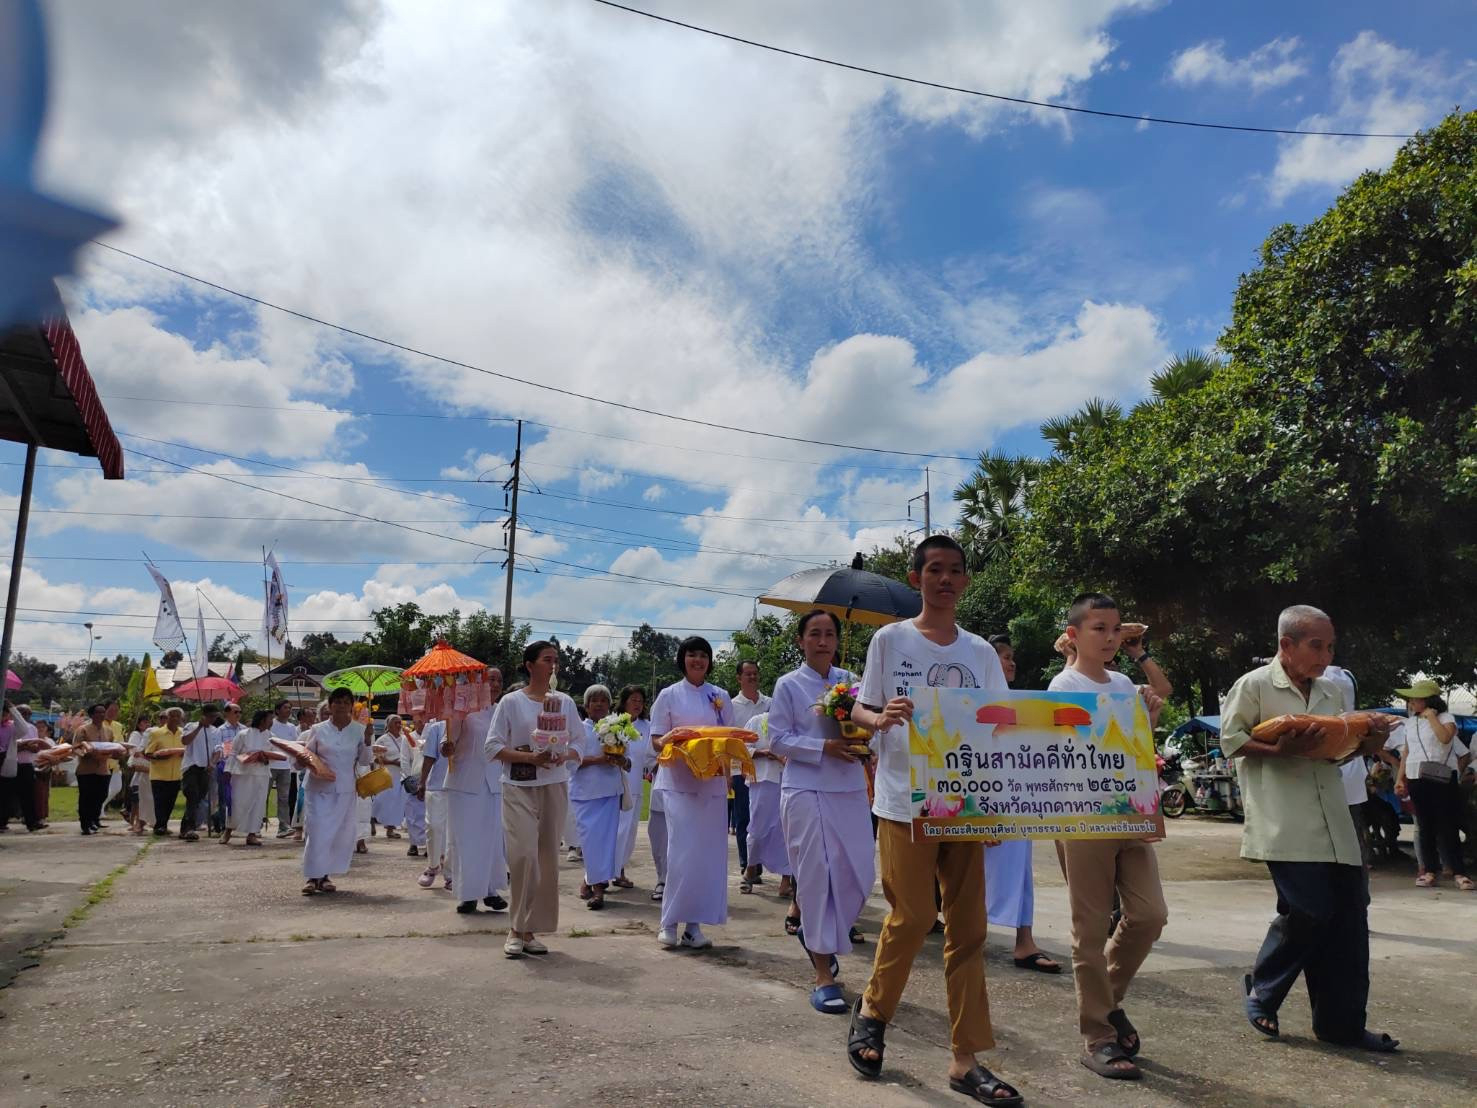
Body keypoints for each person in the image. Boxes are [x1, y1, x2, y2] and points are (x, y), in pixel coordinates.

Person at [846, 535, 1021, 1105]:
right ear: (916, 577)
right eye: (935, 570)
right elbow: (859, 707)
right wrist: (879, 718)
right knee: (914, 915)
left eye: (955, 571)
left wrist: (994, 804)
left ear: (965, 580)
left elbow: (1002, 723)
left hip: (965, 802)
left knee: (968, 929)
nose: (945, 579)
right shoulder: (890, 640)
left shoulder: (980, 652)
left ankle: (966, 1059)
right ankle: (873, 1012)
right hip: (904, 800)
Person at [1222, 604, 1399, 1053]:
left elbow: (1335, 754)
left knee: (1350, 919)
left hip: (1335, 818)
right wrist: (1279, 750)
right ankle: (1263, 988)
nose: (1326, 656)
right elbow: (1232, 741)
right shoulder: (1255, 685)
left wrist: (1370, 741)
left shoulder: (1331, 691)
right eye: (1316, 646)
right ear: (1287, 645)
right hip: (1285, 819)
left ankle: (1342, 1025)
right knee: (1309, 910)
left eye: (1330, 647)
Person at [1048, 594, 1166, 1081]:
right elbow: (1070, 748)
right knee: (1090, 928)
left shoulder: (1122, 684)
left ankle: (1106, 1002)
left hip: (1128, 810)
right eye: (1099, 628)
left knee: (1149, 915)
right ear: (1073, 635)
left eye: (1116, 629)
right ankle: (1097, 1035)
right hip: (1081, 815)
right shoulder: (1062, 686)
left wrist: (1148, 720)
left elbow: (1132, 746)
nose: (1111, 637)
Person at [769, 610, 876, 1015]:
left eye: (829, 634)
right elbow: (778, 740)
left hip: (849, 788)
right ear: (801, 641)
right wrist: (823, 748)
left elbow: (868, 727)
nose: (822, 641)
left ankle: (818, 936)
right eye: (814, 633)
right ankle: (822, 974)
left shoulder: (852, 682)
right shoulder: (788, 685)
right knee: (816, 878)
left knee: (859, 875)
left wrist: (865, 744)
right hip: (805, 788)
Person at [486, 643, 576, 957]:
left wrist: (563, 755)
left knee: (547, 858)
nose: (553, 665)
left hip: (554, 784)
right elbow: (492, 746)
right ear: (529, 665)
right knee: (523, 854)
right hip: (518, 785)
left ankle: (530, 930)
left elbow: (579, 743)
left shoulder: (564, 702)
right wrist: (529, 757)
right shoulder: (511, 702)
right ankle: (515, 927)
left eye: (555, 661)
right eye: (546, 660)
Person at [650, 636, 735, 951]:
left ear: (709, 661)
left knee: (706, 856)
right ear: (682, 659)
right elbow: (655, 740)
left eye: (703, 655)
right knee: (681, 854)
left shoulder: (720, 696)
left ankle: (693, 926)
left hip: (712, 784)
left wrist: (727, 778)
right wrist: (670, 739)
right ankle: (669, 923)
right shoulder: (669, 695)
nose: (697, 660)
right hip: (679, 783)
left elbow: (730, 739)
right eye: (691, 655)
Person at [983, 635, 1061, 976]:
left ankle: (1024, 942)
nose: (1011, 662)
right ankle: (964, 937)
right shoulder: (970, 704)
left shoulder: (1025, 706)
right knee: (969, 874)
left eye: (1012, 656)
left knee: (1020, 871)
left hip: (1018, 800)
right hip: (982, 801)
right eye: (1004, 656)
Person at [1389, 679, 1471, 891]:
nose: (1411, 703)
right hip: (1417, 776)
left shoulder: (1446, 718)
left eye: (1415, 699)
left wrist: (1432, 717)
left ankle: (1459, 872)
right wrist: (1400, 778)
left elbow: (1445, 738)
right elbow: (1407, 752)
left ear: (1427, 700)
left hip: (1442, 777)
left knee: (1447, 825)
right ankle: (1430, 870)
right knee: (1425, 826)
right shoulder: (1410, 723)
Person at [294, 687, 374, 895]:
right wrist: (300, 759)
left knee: (337, 834)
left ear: (351, 706)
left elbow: (365, 761)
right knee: (318, 831)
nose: (341, 706)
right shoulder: (318, 729)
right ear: (330, 705)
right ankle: (312, 877)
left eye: (346, 702)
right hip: (318, 788)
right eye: (337, 702)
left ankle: (325, 876)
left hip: (344, 790)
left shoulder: (359, 730)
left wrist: (368, 740)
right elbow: (305, 757)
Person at [443, 672, 509, 916]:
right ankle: (468, 895)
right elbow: (448, 741)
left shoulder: (503, 712)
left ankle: (490, 891)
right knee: (466, 841)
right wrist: (446, 746)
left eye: (499, 680)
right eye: (490, 679)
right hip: (465, 784)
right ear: (478, 683)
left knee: (492, 841)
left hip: (494, 784)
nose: (495, 684)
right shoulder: (463, 710)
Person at [571, 685, 627, 910]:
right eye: (594, 700)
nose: (599, 704)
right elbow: (570, 760)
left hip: (610, 793)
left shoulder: (617, 728)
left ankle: (593, 885)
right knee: (591, 844)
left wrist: (620, 759)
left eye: (604, 700)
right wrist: (598, 760)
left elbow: (629, 761)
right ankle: (596, 887)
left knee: (606, 845)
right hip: (585, 795)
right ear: (586, 706)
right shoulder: (577, 729)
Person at [730, 660, 772, 891]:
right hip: (740, 768)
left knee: (767, 819)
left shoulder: (771, 703)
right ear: (739, 678)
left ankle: (759, 864)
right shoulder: (731, 706)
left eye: (755, 673)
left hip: (769, 772)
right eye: (748, 674)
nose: (752, 677)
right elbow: (729, 740)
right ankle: (748, 865)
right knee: (745, 818)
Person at [744, 707, 793, 899]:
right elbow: (742, 749)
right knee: (758, 828)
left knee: (787, 831)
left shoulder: (793, 722)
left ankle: (786, 881)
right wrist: (764, 753)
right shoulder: (756, 721)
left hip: (789, 780)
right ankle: (750, 868)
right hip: (763, 780)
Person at [612, 685, 651, 891]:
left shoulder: (647, 726)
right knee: (616, 832)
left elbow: (652, 756)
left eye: (640, 701)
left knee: (629, 834)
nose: (637, 704)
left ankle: (619, 870)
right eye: (633, 700)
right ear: (624, 701)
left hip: (636, 787)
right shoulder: (613, 724)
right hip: (614, 787)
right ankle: (599, 875)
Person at [222, 709, 276, 846]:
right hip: (242, 773)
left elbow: (274, 755)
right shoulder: (243, 734)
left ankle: (252, 834)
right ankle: (228, 831)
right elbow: (233, 753)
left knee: (257, 804)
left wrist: (265, 758)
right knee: (237, 803)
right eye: (270, 719)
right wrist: (228, 770)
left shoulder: (271, 736)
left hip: (261, 774)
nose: (272, 722)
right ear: (262, 720)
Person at [416, 711, 455, 890]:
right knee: (434, 826)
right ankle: (433, 865)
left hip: (460, 786)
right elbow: (429, 757)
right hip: (437, 786)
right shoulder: (436, 728)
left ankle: (451, 873)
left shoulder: (469, 725)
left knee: (453, 832)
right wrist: (422, 782)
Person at [176, 703, 219, 842]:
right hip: (191, 766)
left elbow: (217, 750)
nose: (213, 719)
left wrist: (212, 763)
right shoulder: (191, 726)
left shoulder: (215, 731)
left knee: (198, 799)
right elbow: (185, 741)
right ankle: (190, 828)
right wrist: (199, 727)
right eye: (210, 716)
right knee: (192, 796)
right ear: (204, 716)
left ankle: (185, 828)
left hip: (205, 769)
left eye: (215, 716)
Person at [143, 708, 188, 835]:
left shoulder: (184, 734)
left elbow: (188, 751)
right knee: (160, 802)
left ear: (181, 719)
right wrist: (160, 756)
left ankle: (163, 824)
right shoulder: (156, 733)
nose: (175, 718)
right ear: (166, 718)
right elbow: (148, 753)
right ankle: (160, 826)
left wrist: (182, 754)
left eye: (177, 716)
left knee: (170, 802)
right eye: (172, 716)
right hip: (159, 774)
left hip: (176, 774)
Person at [72, 703, 113, 835]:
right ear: (91, 715)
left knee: (101, 795)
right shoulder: (83, 729)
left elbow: (111, 746)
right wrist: (88, 754)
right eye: (98, 712)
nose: (101, 715)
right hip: (86, 770)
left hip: (103, 769)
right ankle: (85, 824)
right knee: (86, 797)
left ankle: (94, 820)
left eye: (103, 712)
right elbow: (76, 748)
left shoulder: (108, 730)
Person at [371, 714, 408, 840]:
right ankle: (371, 820)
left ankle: (390, 829)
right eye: (395, 722)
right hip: (386, 775)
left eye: (400, 722)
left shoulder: (404, 739)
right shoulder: (382, 740)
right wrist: (393, 762)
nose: (398, 725)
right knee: (381, 801)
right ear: (389, 725)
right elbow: (375, 758)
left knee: (395, 803)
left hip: (400, 776)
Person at [268, 700, 300, 837]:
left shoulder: (292, 727)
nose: (288, 710)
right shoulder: (270, 724)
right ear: (277, 710)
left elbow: (295, 745)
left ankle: (283, 826)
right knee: (263, 796)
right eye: (285, 707)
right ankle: (255, 826)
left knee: (284, 797)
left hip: (286, 766)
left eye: (290, 708)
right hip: (270, 765)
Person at [126, 712, 154, 834]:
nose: (147, 724)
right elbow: (134, 751)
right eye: (144, 722)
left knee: (140, 800)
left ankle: (138, 823)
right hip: (141, 768)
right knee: (137, 801)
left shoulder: (150, 734)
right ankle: (135, 823)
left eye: (148, 722)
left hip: (148, 769)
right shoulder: (136, 734)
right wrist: (143, 755)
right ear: (138, 724)